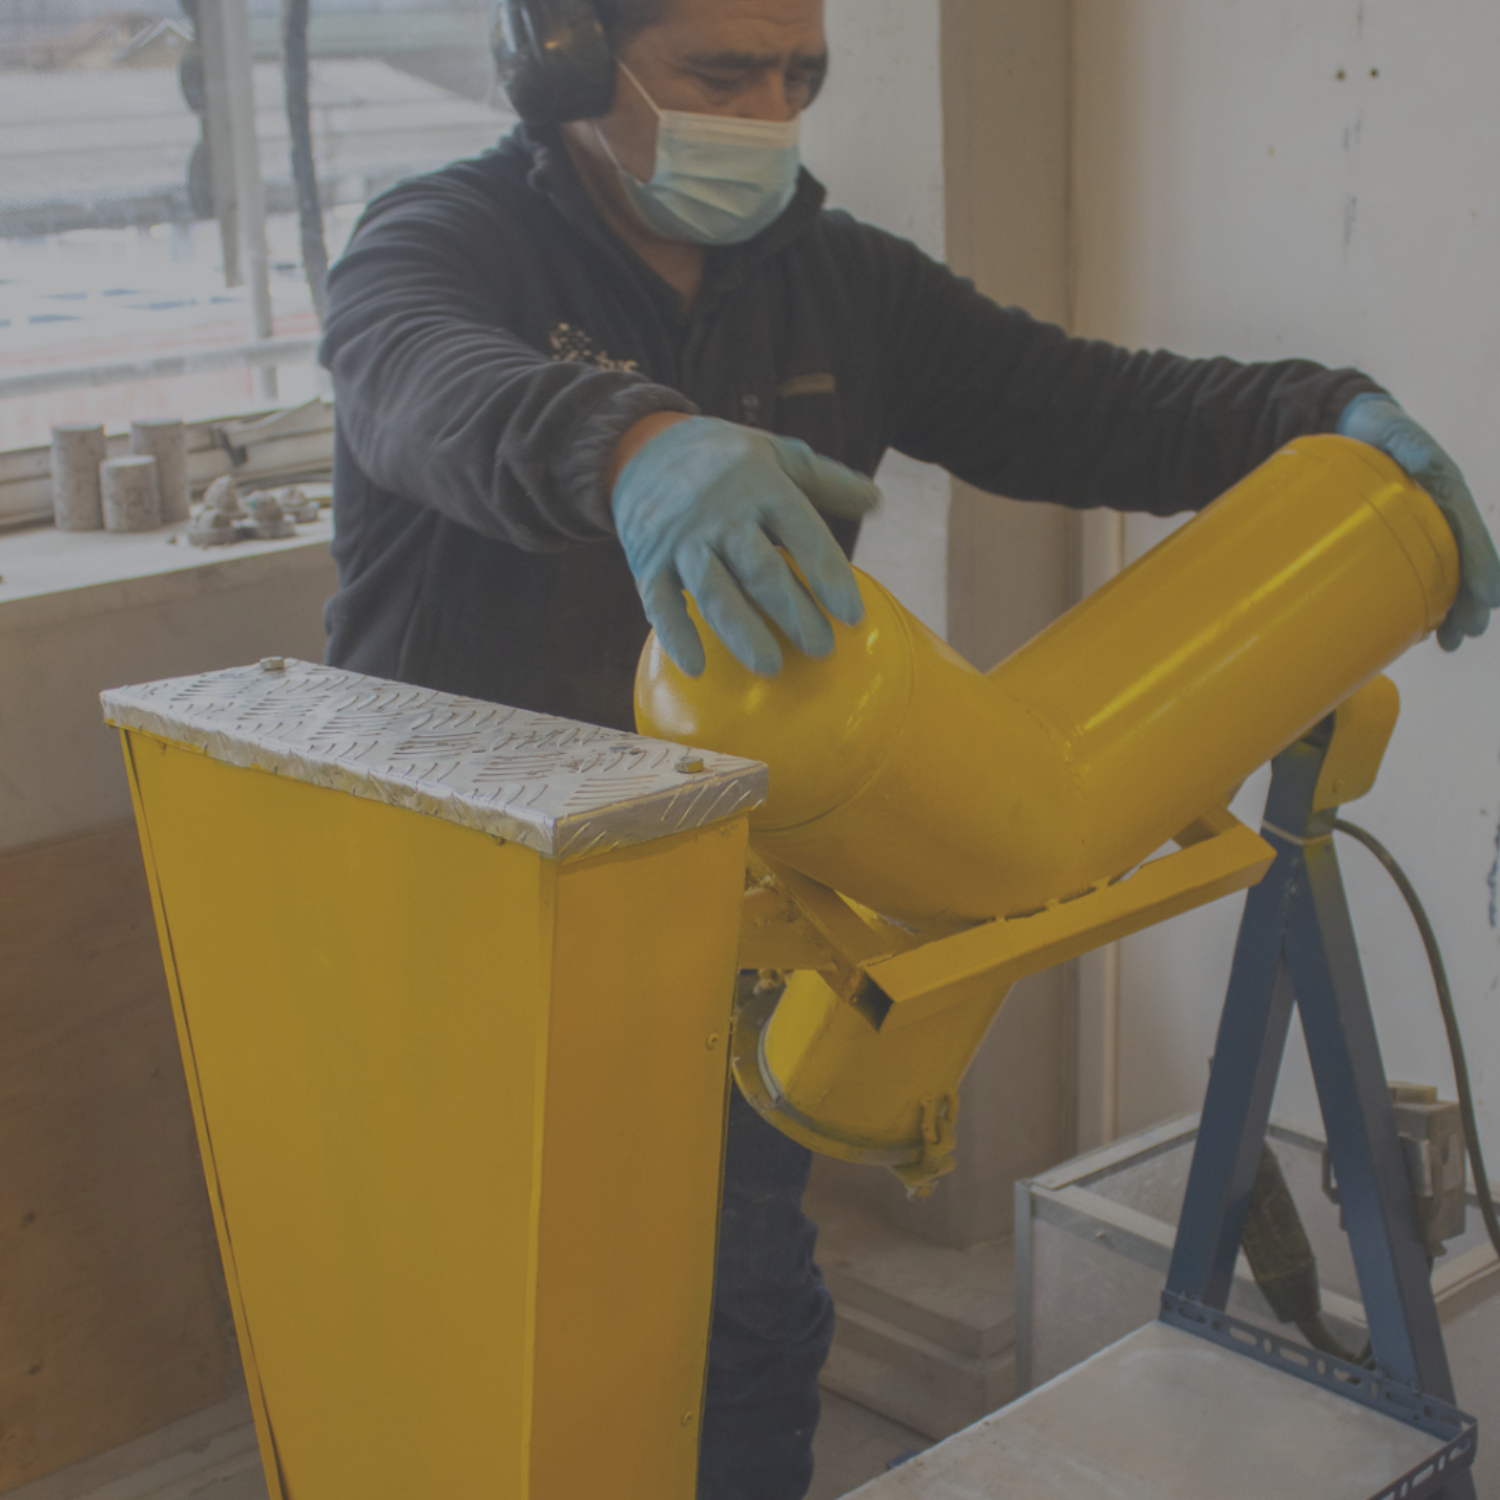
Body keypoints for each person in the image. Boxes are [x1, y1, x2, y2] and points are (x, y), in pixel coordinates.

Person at [318, 2, 1500, 1495]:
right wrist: (633, 447)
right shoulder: (440, 242)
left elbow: (1088, 403)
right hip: (472, 906)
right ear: (566, 54)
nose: (765, 113)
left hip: (726, 898)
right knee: (489, 1319)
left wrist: (1322, 413)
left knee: (740, 1301)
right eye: (718, 72)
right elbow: (414, 378)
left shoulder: (840, 282)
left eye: (797, 75)